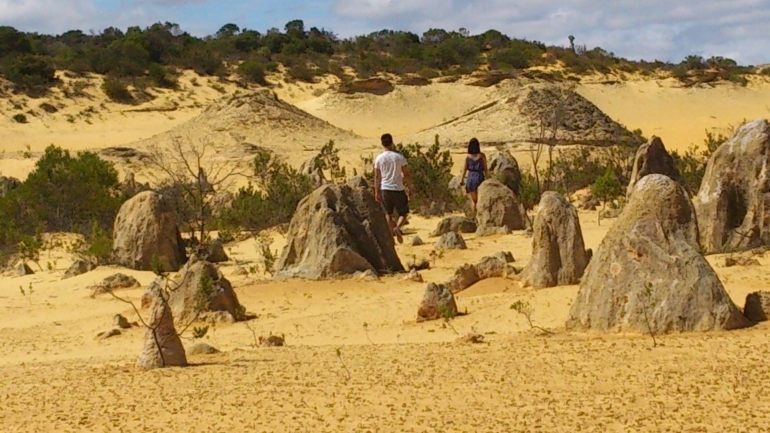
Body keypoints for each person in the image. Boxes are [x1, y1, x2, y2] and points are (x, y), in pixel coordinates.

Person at [374, 133, 412, 244]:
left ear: (382, 143)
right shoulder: (399, 157)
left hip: (385, 189)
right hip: (398, 189)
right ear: (392, 142)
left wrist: (376, 191)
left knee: (388, 214)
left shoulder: (379, 159)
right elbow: (406, 174)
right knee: (403, 213)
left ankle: (391, 238)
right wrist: (410, 188)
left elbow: (377, 176)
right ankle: (398, 227)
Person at [460, 137, 488, 215]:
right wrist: (488, 179)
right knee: (479, 200)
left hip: (471, 178)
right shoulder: (482, 156)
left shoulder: (467, 157)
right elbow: (485, 169)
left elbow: (464, 169)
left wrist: (462, 180)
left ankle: (474, 216)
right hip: (479, 177)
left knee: (474, 201)